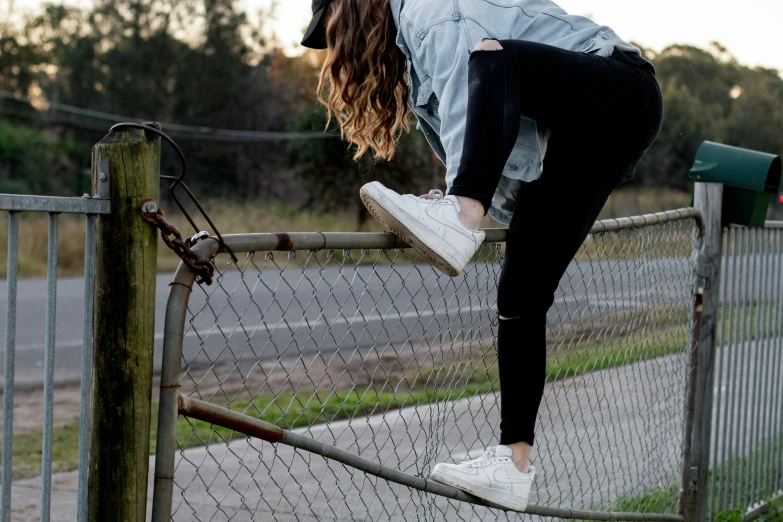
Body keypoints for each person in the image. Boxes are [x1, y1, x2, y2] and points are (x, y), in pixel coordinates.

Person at [301, 0, 662, 511]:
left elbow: (476, 80)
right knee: (520, 293)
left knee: (494, 58)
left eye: (335, 26)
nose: (338, 43)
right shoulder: (414, 39)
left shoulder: (430, 9)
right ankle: (513, 466)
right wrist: (462, 192)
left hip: (618, 87)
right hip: (586, 133)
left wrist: (461, 202)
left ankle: (461, 214)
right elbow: (487, 121)